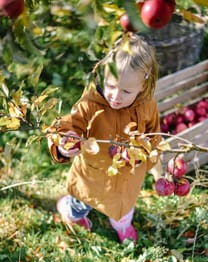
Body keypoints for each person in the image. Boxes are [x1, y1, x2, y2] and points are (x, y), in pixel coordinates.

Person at [47, 33, 162, 243]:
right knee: (80, 205)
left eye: (126, 91)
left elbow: (153, 136)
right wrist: (64, 142)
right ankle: (68, 210)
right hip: (92, 178)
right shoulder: (90, 105)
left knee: (124, 208)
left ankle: (122, 225)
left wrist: (145, 157)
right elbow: (69, 124)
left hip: (127, 177)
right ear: (104, 75)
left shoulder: (148, 106)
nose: (116, 97)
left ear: (143, 85)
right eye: (111, 86)